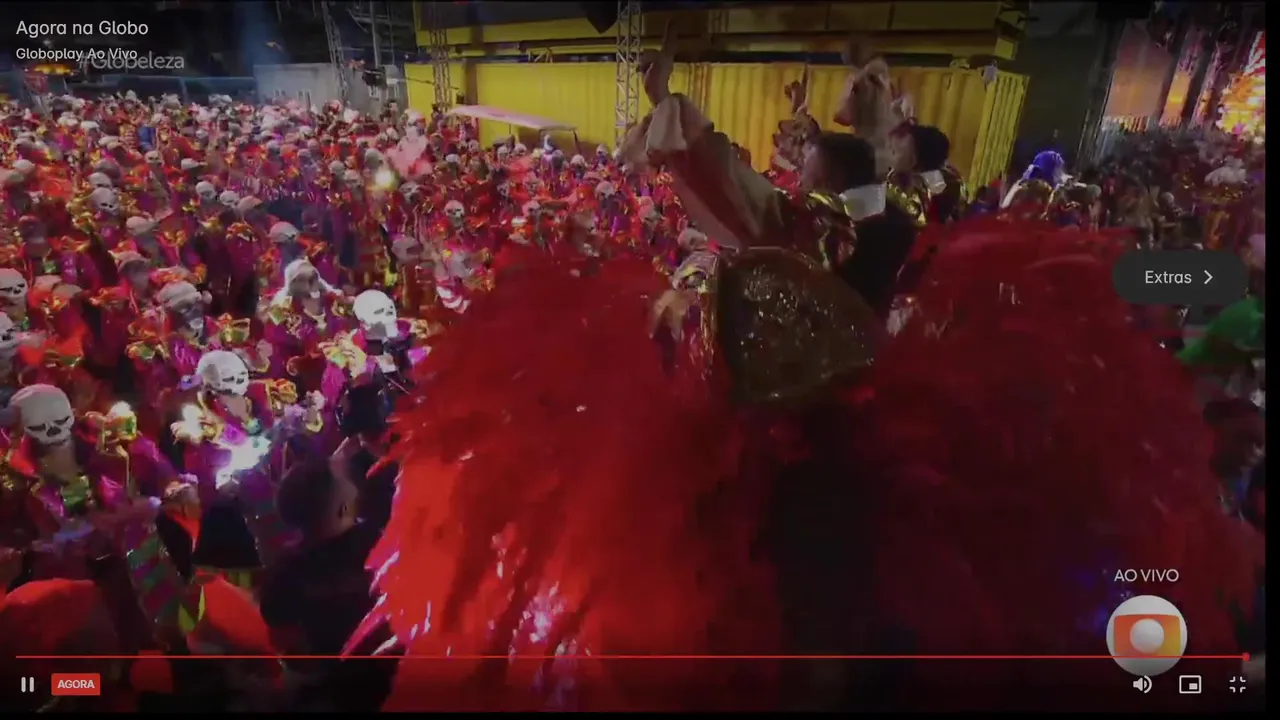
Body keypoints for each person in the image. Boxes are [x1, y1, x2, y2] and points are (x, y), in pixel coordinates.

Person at [258, 458, 395, 711]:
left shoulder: (284, 569)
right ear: (343, 508)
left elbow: (287, 645)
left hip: (335, 690)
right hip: (391, 677)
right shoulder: (379, 544)